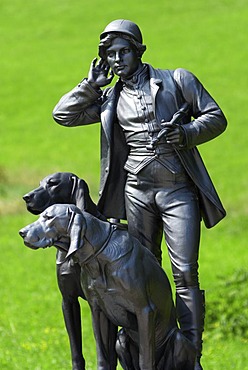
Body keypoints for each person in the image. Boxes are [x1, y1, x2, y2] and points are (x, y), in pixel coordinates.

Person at [53, 19, 227, 369]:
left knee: (185, 272)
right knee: (141, 274)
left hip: (178, 191)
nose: (117, 59)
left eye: (123, 51)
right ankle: (141, 350)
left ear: (139, 51)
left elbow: (216, 117)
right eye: (110, 54)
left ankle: (189, 355)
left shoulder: (177, 80)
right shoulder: (108, 99)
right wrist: (90, 84)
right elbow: (63, 114)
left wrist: (187, 133)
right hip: (136, 192)